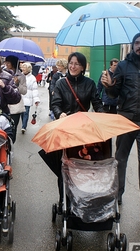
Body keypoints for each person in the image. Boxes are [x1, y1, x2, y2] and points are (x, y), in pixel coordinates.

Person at [101, 32, 140, 220]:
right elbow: (114, 94)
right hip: (126, 119)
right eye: (137, 43)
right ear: (132, 45)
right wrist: (109, 85)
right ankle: (115, 197)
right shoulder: (123, 65)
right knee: (120, 160)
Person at [41, 52, 104, 208]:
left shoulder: (90, 83)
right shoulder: (61, 83)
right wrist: (59, 113)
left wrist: (101, 115)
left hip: (83, 129)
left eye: (77, 64)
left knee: (83, 165)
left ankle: (83, 199)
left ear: (83, 67)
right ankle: (64, 200)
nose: (73, 66)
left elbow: (97, 102)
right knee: (64, 165)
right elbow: (55, 104)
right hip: (65, 128)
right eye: (71, 63)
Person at [3, 55, 27, 141]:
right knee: (3, 128)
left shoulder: (21, 76)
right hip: (4, 104)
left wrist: (17, 84)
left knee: (13, 128)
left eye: (8, 62)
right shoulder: (2, 74)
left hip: (15, 106)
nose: (6, 64)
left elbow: (24, 91)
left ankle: (10, 147)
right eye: (6, 62)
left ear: (13, 63)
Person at [20, 62, 40, 134]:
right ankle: (23, 124)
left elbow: (35, 89)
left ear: (28, 69)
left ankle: (23, 126)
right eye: (23, 67)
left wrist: (36, 99)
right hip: (20, 97)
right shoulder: (19, 76)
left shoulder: (32, 78)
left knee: (26, 112)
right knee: (21, 113)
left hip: (28, 97)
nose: (23, 69)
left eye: (25, 67)